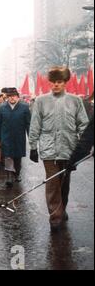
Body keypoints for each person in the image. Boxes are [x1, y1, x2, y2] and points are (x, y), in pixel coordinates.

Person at [29, 67, 89, 231]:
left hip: (69, 148)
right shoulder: (41, 101)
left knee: (64, 182)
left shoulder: (75, 101)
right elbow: (35, 125)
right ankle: (55, 216)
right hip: (49, 149)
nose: (56, 85)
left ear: (64, 83)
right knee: (53, 182)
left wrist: (82, 147)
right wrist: (33, 146)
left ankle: (62, 208)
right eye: (53, 82)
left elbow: (83, 124)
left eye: (59, 82)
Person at [0, 88, 31, 187]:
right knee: (8, 156)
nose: (11, 98)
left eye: (14, 96)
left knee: (17, 157)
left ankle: (17, 174)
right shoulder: (2, 108)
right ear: (7, 97)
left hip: (19, 136)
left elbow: (28, 124)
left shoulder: (24, 107)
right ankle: (9, 176)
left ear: (18, 97)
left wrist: (30, 137)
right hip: (6, 136)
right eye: (9, 96)